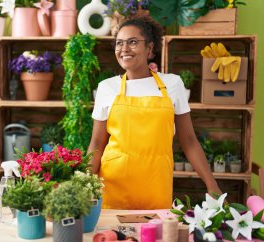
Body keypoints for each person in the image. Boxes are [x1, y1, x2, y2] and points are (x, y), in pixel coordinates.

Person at [87, 16, 222, 210]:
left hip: (156, 185)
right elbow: (97, 144)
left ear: (150, 49)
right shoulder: (107, 87)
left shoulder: (173, 84)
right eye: (119, 43)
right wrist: (84, 185)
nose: (124, 49)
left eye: (132, 42)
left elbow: (189, 141)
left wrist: (212, 184)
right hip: (113, 186)